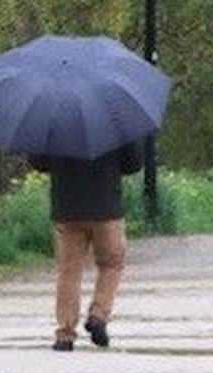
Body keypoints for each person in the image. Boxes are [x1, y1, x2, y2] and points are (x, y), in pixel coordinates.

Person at [28, 140, 145, 351]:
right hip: (106, 207)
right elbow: (133, 164)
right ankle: (98, 316)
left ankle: (65, 334)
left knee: (69, 271)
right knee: (111, 265)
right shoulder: (115, 121)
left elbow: (38, 162)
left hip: (67, 208)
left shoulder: (54, 122)